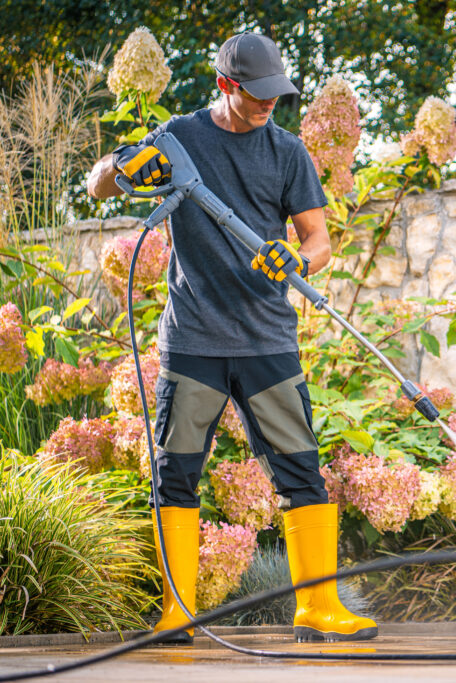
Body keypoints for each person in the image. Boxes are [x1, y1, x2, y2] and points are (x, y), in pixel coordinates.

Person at [87, 32, 377, 644]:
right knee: (177, 474)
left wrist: (297, 259)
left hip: (268, 336)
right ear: (225, 85)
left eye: (277, 93)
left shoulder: (287, 151)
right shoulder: (180, 139)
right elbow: (97, 185)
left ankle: (318, 608)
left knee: (301, 471)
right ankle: (178, 614)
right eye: (257, 94)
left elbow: (320, 242)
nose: (269, 104)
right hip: (193, 339)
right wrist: (123, 167)